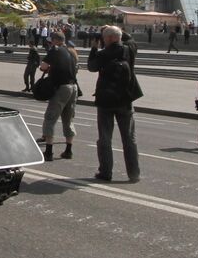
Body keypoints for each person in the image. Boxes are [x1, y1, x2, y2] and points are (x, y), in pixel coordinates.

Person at [87, 25, 138, 180]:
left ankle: (105, 172)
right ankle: (134, 174)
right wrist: (117, 31)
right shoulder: (129, 50)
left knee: (105, 138)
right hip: (125, 100)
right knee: (129, 139)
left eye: (104, 37)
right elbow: (132, 40)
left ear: (108, 39)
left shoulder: (103, 54)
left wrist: (94, 49)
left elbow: (91, 67)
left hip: (105, 101)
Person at [40, 30, 80, 161]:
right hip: (73, 87)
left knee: (50, 117)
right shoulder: (71, 51)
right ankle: (68, 150)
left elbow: (43, 66)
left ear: (55, 40)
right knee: (68, 119)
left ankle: (49, 152)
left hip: (61, 87)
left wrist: (48, 68)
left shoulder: (55, 50)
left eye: (51, 40)